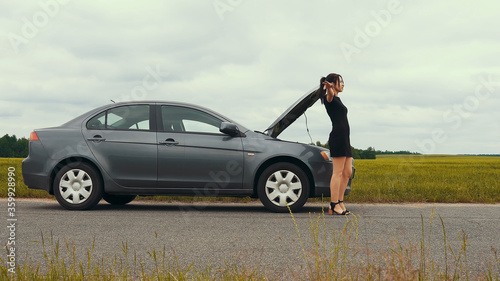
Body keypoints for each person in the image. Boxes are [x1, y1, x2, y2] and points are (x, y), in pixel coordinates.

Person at [319, 73, 353, 215]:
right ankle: (333, 204)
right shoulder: (330, 98)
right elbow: (330, 95)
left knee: (347, 172)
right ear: (333, 84)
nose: (343, 84)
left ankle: (340, 201)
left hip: (345, 139)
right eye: (340, 81)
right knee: (337, 172)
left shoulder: (338, 100)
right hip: (338, 138)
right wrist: (329, 88)